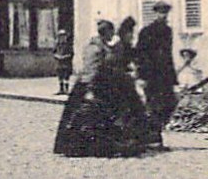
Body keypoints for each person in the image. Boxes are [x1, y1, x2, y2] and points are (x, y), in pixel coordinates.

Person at [54, 19, 144, 158]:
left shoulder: (104, 46)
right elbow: (91, 69)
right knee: (85, 118)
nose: (113, 34)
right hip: (90, 86)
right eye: (111, 32)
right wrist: (90, 90)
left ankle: (105, 146)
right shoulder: (94, 48)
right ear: (106, 32)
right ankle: (80, 147)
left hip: (101, 85)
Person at [134, 1, 178, 149]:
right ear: (155, 13)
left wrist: (172, 77)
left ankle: (154, 136)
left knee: (168, 104)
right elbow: (140, 54)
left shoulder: (168, 31)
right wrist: (142, 75)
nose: (163, 15)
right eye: (160, 12)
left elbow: (168, 55)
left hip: (164, 75)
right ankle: (154, 139)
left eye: (165, 12)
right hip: (151, 75)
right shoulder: (146, 31)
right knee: (154, 106)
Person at [52, 29, 74, 95]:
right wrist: (57, 56)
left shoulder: (68, 45)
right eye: (60, 36)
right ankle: (61, 89)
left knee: (66, 77)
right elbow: (53, 52)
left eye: (63, 36)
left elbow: (71, 54)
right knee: (60, 77)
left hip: (66, 63)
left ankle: (66, 90)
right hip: (59, 63)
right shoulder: (57, 45)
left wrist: (64, 57)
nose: (62, 38)